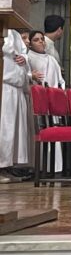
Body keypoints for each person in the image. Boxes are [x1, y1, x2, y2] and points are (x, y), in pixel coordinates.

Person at [0, 29, 31, 183]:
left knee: (14, 132)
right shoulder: (5, 31)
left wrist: (24, 58)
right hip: (5, 86)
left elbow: (23, 53)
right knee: (5, 129)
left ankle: (7, 166)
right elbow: (7, 49)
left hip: (16, 87)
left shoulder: (15, 33)